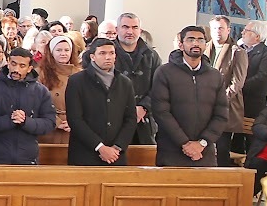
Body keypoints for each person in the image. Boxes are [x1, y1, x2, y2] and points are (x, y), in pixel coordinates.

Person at [150, 25, 229, 167]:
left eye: (200, 40)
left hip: (204, 151)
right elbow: (161, 112)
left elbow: (221, 114)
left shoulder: (215, 76)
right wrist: (185, 143)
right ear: (181, 45)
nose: (196, 43)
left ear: (205, 45)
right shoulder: (164, 72)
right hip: (172, 150)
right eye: (191, 40)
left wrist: (202, 143)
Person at [64, 37, 138, 165]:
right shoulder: (77, 81)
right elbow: (75, 119)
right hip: (85, 154)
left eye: (111, 53)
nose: (108, 57)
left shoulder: (125, 82)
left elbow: (131, 118)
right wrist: (100, 147)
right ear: (92, 57)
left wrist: (117, 147)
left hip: (116, 155)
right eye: (102, 53)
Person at [0, 48, 56, 164]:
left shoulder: (41, 92)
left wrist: (25, 121)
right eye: (13, 64)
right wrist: (10, 120)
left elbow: (49, 122)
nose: (16, 69)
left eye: (22, 66)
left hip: (28, 158)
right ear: (8, 62)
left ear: (29, 68)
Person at [113, 12, 160, 145]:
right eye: (125, 27)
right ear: (117, 29)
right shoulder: (107, 53)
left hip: (144, 122)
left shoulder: (152, 55)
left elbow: (159, 86)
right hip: (113, 120)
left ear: (140, 30)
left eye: (134, 27)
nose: (130, 31)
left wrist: (143, 107)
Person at [209, 15, 248, 167]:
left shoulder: (237, 52)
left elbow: (237, 83)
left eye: (221, 28)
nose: (217, 31)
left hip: (226, 106)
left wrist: (219, 100)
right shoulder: (204, 49)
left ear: (228, 30)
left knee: (222, 148)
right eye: (214, 28)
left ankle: (222, 177)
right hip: (203, 106)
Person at [37, 34, 81, 145]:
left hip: (73, 128)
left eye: (67, 50)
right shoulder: (41, 73)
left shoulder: (80, 74)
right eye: (59, 50)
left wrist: (74, 122)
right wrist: (55, 121)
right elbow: (36, 101)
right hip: (48, 127)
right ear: (51, 52)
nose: (63, 53)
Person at [240, 20, 267, 123]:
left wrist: (239, 86)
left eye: (247, 30)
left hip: (252, 103)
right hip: (235, 101)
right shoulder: (238, 49)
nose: (242, 32)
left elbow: (262, 77)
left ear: (257, 36)